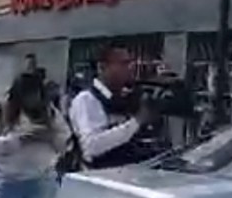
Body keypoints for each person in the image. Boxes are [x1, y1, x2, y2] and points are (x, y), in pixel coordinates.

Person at [66, 42, 161, 170]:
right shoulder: (87, 100)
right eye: (123, 64)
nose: (129, 68)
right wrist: (136, 122)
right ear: (102, 67)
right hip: (100, 178)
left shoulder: (124, 98)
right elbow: (91, 147)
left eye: (130, 63)